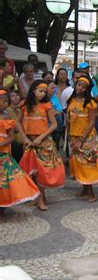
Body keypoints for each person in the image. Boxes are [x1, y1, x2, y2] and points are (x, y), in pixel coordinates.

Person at [17, 80, 66, 211]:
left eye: (44, 92)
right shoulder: (24, 105)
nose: (42, 94)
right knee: (32, 172)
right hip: (29, 143)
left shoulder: (47, 105)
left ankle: (40, 200)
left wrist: (40, 137)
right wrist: (24, 137)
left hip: (43, 142)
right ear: (33, 90)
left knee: (42, 171)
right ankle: (39, 198)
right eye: (40, 91)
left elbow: (54, 125)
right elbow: (18, 122)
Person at [0, 89, 40, 211]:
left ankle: (2, 208)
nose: (4, 103)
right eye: (2, 101)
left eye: (6, 101)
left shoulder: (7, 117)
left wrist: (1, 144)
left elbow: (11, 137)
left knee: (5, 183)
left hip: (4, 155)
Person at [47, 81, 64, 150]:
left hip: (56, 123)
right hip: (46, 124)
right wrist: (54, 111)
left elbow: (60, 110)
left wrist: (55, 111)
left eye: (55, 88)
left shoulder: (54, 97)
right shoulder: (42, 98)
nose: (54, 90)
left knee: (55, 142)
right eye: (52, 88)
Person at [6, 90, 23, 162]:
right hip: (13, 139)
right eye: (13, 96)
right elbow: (16, 127)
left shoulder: (20, 109)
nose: (15, 98)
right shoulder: (7, 110)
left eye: (17, 95)